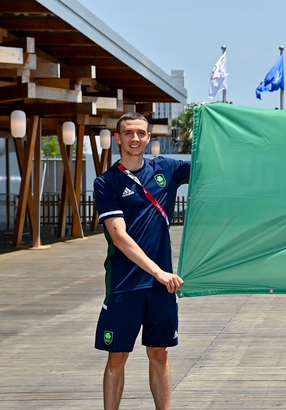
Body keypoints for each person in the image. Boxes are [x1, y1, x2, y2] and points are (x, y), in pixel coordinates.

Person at [93, 112, 190, 410]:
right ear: (118, 139)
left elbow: (210, 165)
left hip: (161, 288)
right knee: (117, 357)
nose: (135, 138)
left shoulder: (167, 169)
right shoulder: (106, 182)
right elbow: (120, 238)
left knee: (159, 354)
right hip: (125, 285)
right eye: (128, 133)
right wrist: (159, 272)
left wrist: (215, 124)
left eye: (141, 133)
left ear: (149, 137)